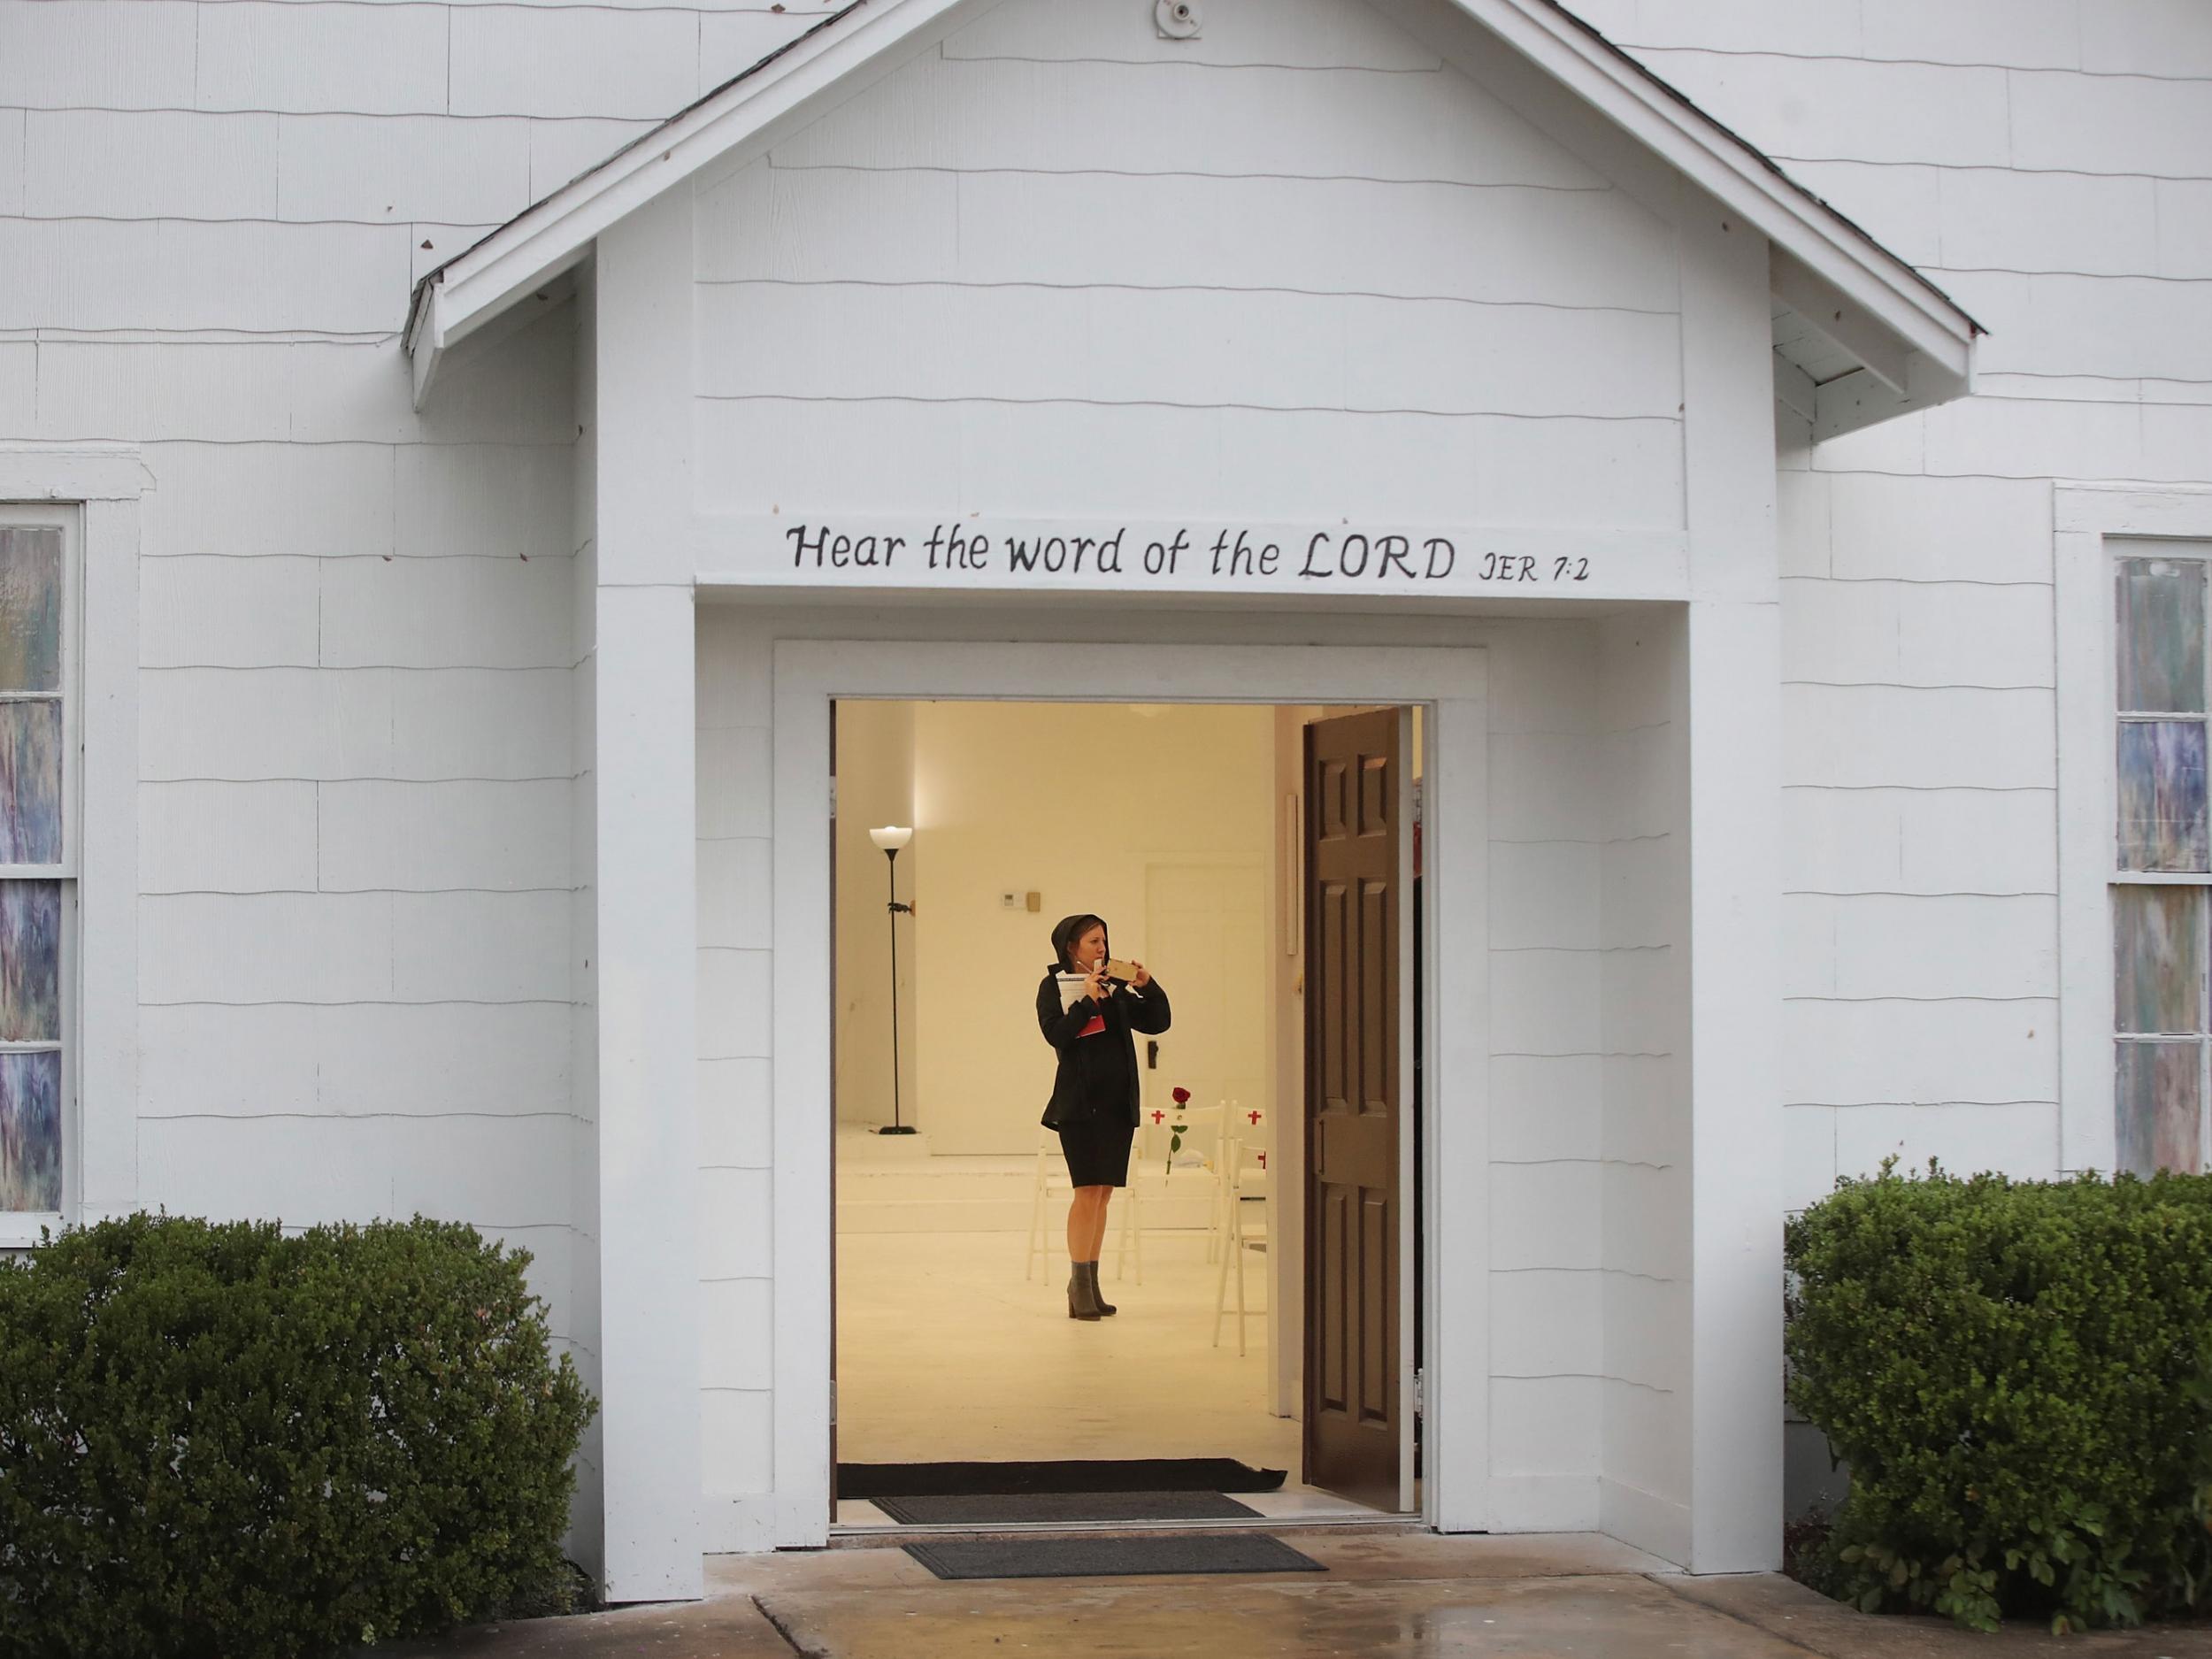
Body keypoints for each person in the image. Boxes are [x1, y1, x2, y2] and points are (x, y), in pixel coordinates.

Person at [1036, 913, 1171, 1321]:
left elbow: (1158, 1022)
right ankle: (1078, 1286)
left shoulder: (1113, 986)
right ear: (1071, 947)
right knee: (1086, 1192)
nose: (1102, 949)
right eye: (1094, 941)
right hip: (1080, 1106)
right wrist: (1087, 1000)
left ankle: (1092, 1283)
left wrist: (1147, 986)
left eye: (1104, 940)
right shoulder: (1055, 986)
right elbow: (1056, 1034)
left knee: (1104, 1193)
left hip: (1116, 1105)